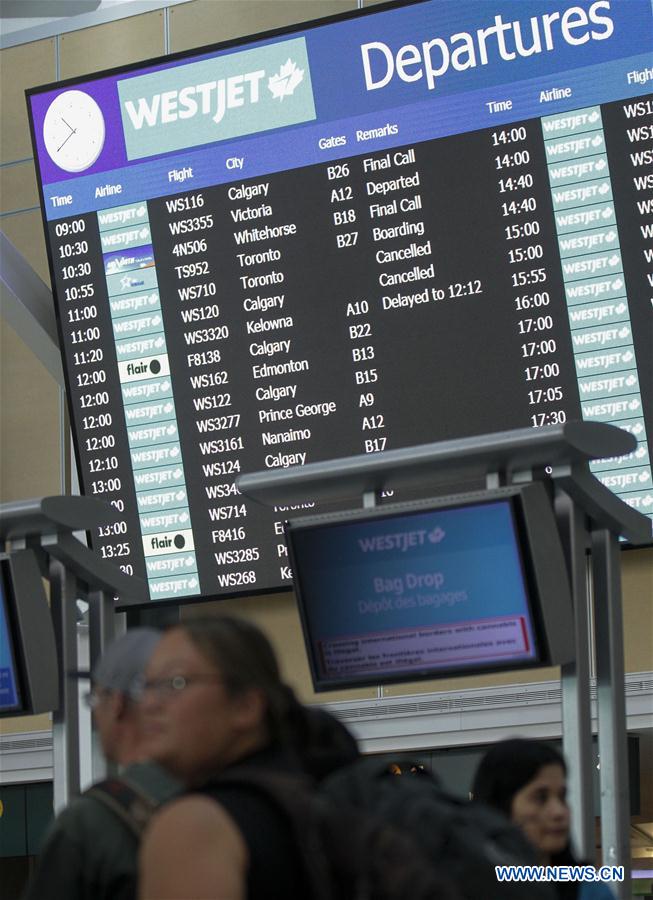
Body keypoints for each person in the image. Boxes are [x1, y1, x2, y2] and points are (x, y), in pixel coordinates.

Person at [137, 615, 364, 900]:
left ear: (246, 705)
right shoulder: (315, 798)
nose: (148, 704)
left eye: (176, 682)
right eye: (146, 685)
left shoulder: (194, 826)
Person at [25, 628, 179, 900]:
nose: (95, 714)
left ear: (117, 703)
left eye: (94, 699)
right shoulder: (223, 795)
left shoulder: (89, 822)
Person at [471, 738, 615, 900]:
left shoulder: (591, 892)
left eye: (562, 796)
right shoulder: (457, 887)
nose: (559, 812)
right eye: (540, 798)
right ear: (500, 807)